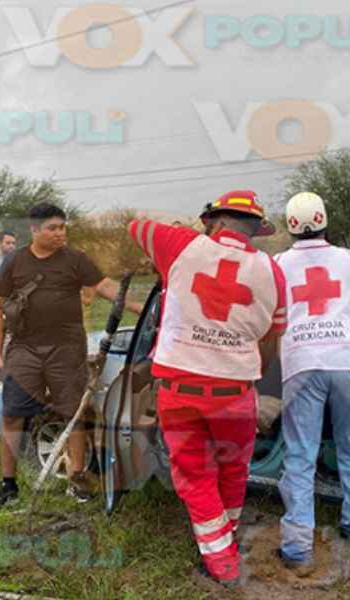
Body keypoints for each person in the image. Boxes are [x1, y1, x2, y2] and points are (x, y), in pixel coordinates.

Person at [127, 191, 287, 587]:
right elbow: (271, 338)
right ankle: (225, 537)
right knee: (233, 470)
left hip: (182, 392)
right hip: (237, 394)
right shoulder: (272, 271)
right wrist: (252, 371)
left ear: (214, 221)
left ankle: (222, 563)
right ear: (255, 230)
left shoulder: (182, 246)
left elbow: (136, 225)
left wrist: (186, 229)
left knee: (195, 477)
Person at [0, 202, 143, 511]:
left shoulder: (75, 260)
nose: (60, 233)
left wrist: (142, 307)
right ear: (34, 230)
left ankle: (77, 480)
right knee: (13, 414)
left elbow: (106, 287)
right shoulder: (14, 263)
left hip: (67, 350)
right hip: (24, 350)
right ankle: (8, 484)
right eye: (52, 228)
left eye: (62, 227)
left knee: (74, 413)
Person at [273, 192, 350, 576]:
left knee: (300, 454)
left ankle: (298, 547)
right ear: (325, 220)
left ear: (290, 226)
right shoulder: (347, 258)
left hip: (302, 362)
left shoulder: (279, 263)